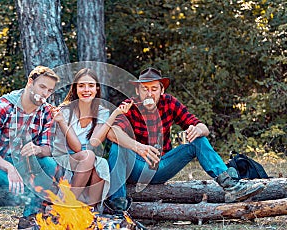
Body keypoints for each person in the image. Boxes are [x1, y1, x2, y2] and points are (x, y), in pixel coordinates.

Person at [106, 67, 265, 211]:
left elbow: (204, 128)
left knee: (199, 140)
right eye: (145, 89)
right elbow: (112, 132)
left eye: (154, 89)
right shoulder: (129, 105)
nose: (149, 93)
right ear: (137, 90)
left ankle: (231, 186)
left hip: (163, 165)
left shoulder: (169, 102)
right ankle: (118, 204)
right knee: (117, 147)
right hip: (137, 167)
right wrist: (138, 147)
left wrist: (197, 129)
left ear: (162, 90)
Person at [0, 66, 60, 230]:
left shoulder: (47, 111)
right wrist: (9, 167)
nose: (45, 94)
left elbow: (48, 149)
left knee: (49, 163)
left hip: (27, 169)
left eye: (49, 90)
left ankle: (29, 218)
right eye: (42, 87)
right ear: (30, 82)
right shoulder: (2, 106)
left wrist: (38, 149)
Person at [51, 68, 132, 211]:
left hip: (85, 158)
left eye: (90, 85)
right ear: (75, 89)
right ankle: (67, 205)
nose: (86, 89)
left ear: (97, 89)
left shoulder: (102, 112)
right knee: (89, 156)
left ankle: (90, 212)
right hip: (63, 157)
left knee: (100, 164)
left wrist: (115, 114)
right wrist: (62, 122)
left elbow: (94, 142)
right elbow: (76, 148)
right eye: (81, 86)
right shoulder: (65, 111)